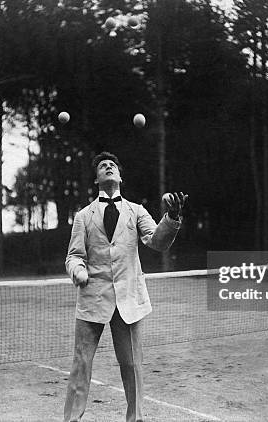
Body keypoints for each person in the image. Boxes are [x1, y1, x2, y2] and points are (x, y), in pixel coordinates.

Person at [63, 151, 188, 422]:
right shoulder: (84, 216)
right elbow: (74, 255)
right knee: (81, 365)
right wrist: (78, 271)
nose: (108, 167)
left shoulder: (137, 211)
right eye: (102, 166)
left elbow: (156, 241)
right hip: (92, 299)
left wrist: (172, 218)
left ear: (120, 176)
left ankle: (136, 418)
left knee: (132, 365)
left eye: (112, 165)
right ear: (97, 179)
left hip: (128, 300)